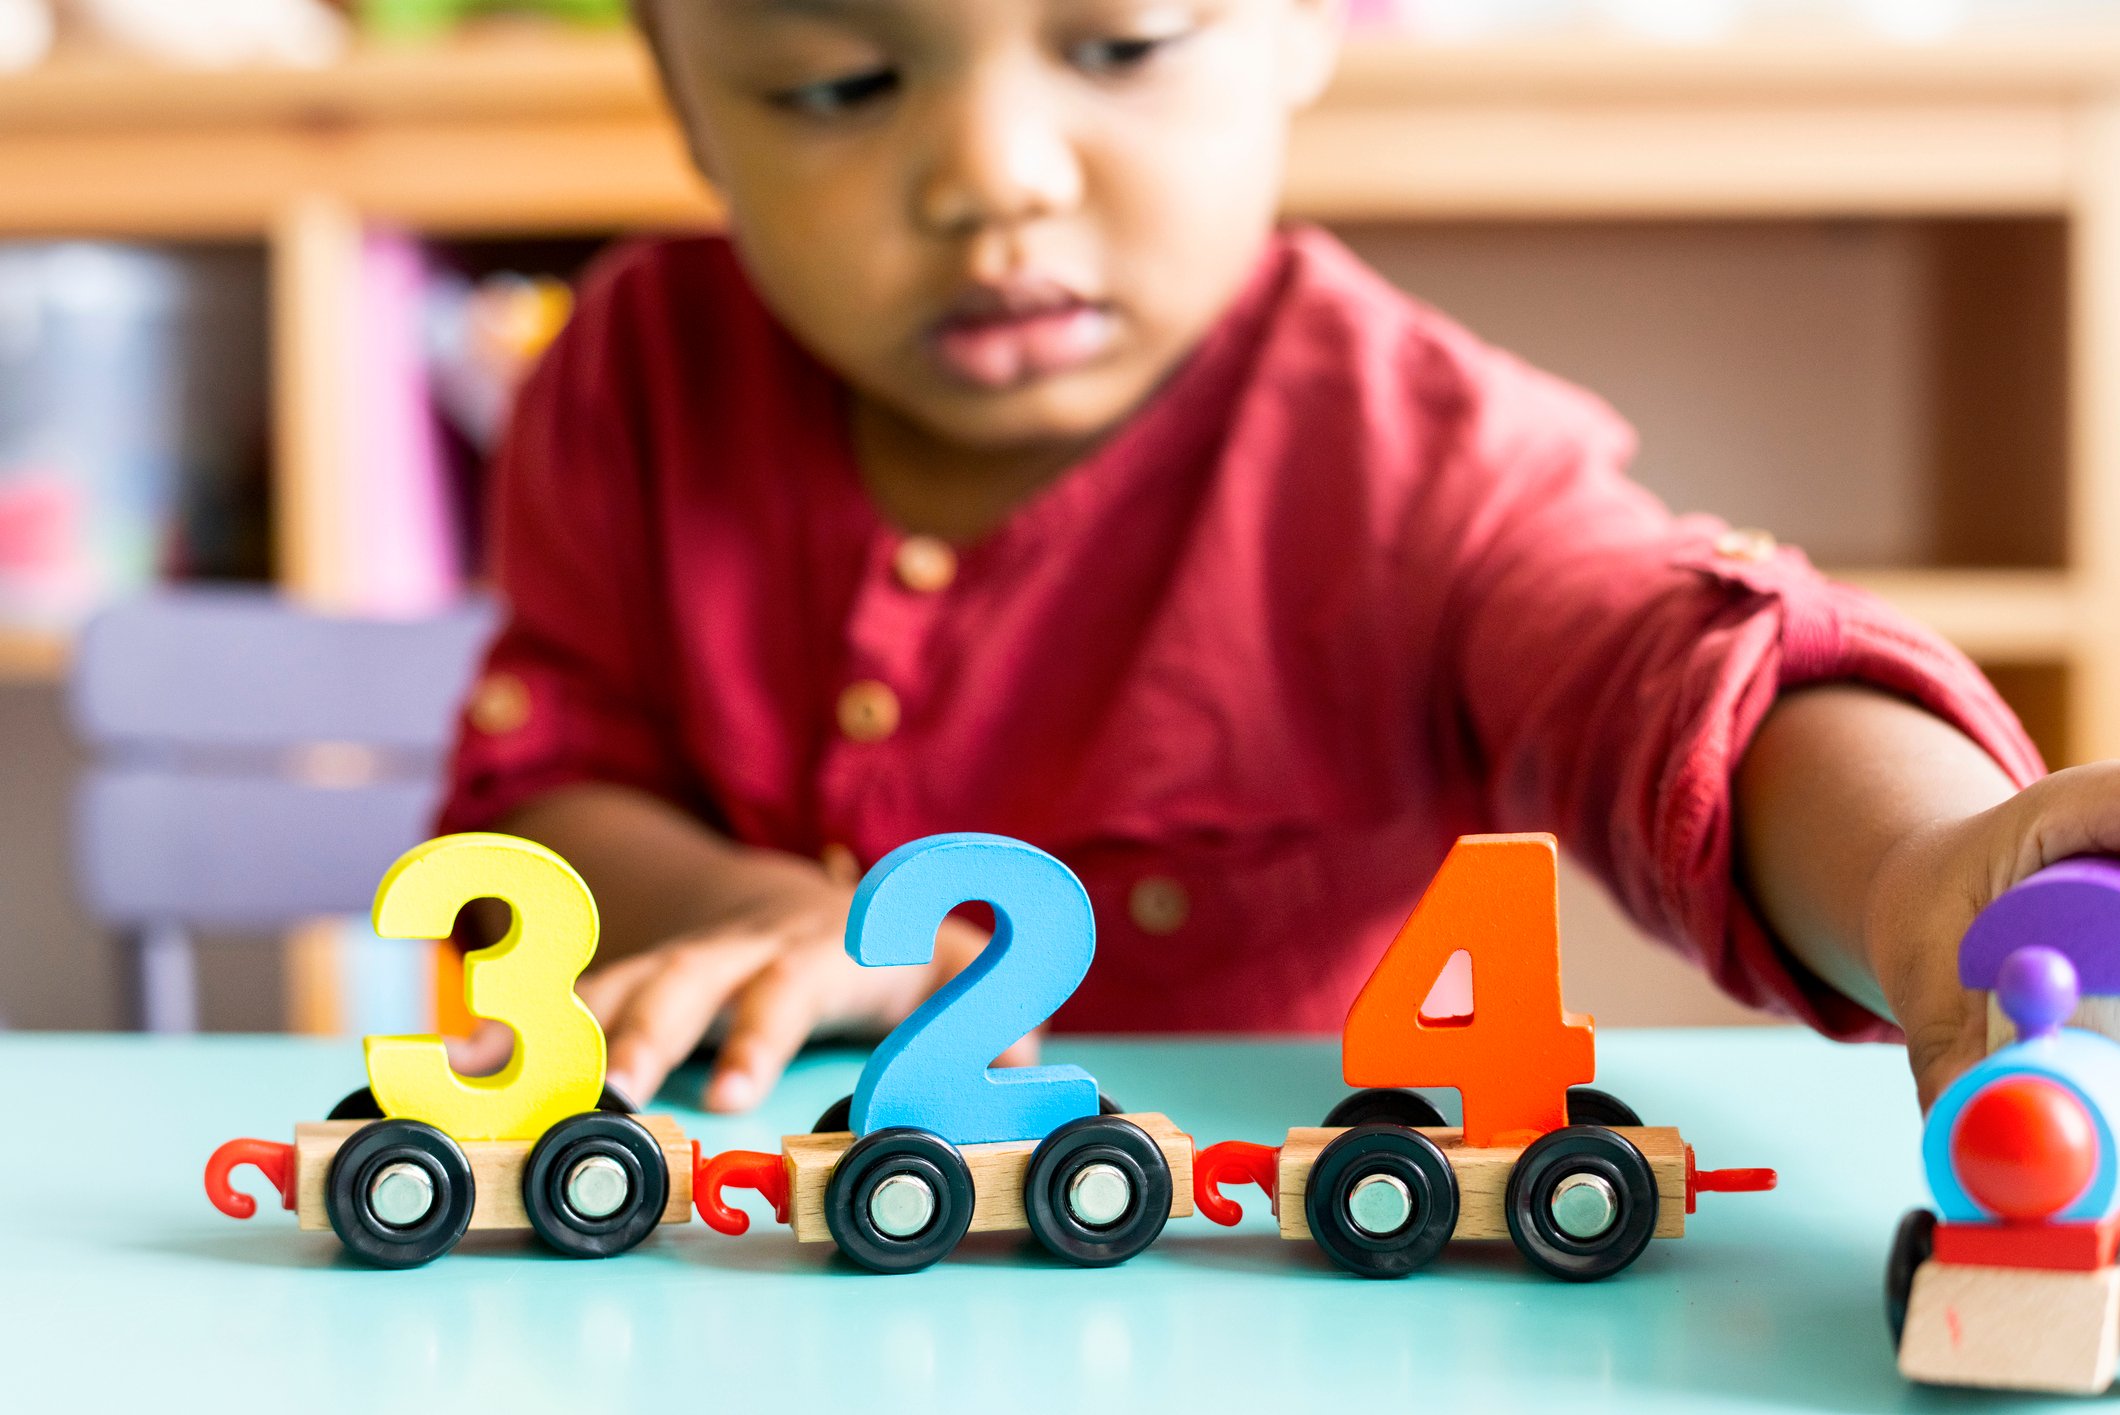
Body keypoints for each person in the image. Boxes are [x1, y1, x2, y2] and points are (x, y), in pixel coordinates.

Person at [439, 0, 2107, 1118]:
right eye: (836, 84)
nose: (994, 177)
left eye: (1126, 42)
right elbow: (547, 792)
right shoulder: (629, 375)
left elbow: (1667, 674)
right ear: (685, 104)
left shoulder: (1412, 450)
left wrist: (1916, 875)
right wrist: (753, 912)